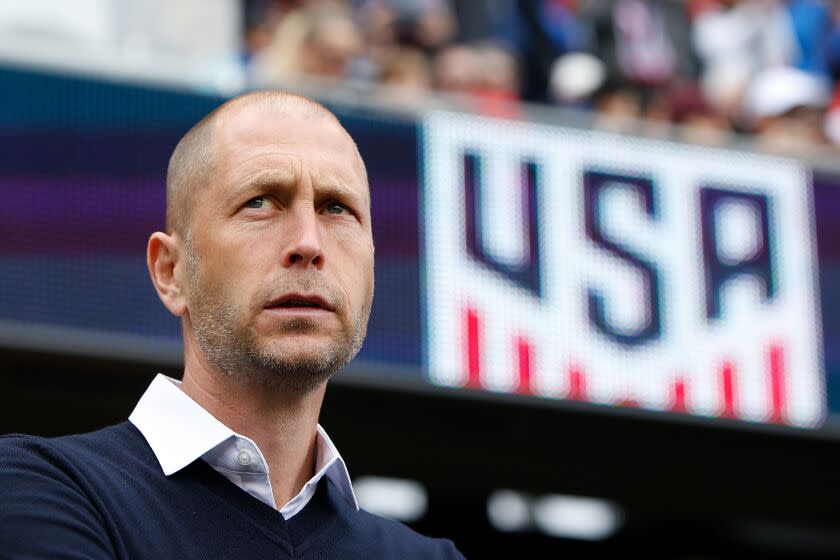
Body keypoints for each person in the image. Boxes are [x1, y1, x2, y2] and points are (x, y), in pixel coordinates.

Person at [0, 90, 464, 559]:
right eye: (261, 202)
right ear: (171, 271)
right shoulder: (43, 490)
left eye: (337, 208)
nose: (308, 242)